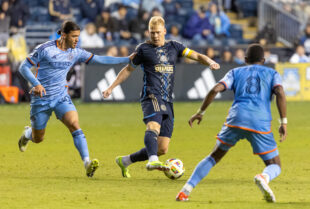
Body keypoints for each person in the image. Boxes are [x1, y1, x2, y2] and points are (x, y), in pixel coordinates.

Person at [103, 16, 220, 177]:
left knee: (162, 148)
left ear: (164, 31)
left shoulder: (175, 46)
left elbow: (197, 56)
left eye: (158, 32)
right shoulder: (143, 49)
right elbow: (128, 69)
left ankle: (125, 161)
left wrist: (210, 62)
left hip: (167, 99)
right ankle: (152, 160)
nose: (155, 36)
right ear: (148, 32)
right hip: (151, 95)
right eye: (152, 33)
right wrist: (111, 87)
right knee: (153, 127)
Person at [18, 21, 132, 178]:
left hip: (61, 97)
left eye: (78, 36)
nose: (77, 40)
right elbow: (23, 67)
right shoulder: (45, 49)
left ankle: (87, 163)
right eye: (74, 36)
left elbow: (99, 59)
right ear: (63, 36)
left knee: (74, 124)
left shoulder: (76, 52)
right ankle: (27, 134)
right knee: (39, 138)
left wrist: (126, 60)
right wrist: (36, 84)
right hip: (41, 99)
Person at [176, 44, 287, 203]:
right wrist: (284, 122)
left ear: (245, 59)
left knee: (213, 156)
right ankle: (263, 177)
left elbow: (215, 89)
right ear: (264, 60)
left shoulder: (235, 72)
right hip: (260, 122)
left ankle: (184, 192)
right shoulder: (273, 73)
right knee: (274, 164)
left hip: (236, 119)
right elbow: (280, 92)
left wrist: (200, 112)